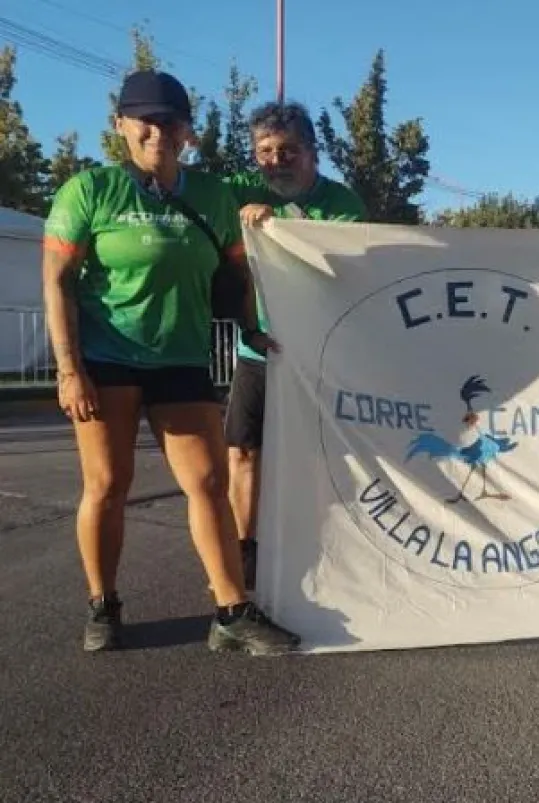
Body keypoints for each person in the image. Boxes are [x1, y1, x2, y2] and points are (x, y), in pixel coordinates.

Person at [42, 69, 300, 656]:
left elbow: (238, 274)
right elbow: (56, 282)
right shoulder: (90, 190)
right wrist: (68, 368)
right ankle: (102, 603)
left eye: (171, 121)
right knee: (108, 485)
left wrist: (253, 325)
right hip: (106, 360)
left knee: (208, 483)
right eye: (146, 119)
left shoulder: (211, 194)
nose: (158, 130)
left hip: (180, 360)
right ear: (121, 125)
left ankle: (231, 612)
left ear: (187, 130)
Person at [223, 101, 366, 588]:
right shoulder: (240, 192)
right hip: (256, 350)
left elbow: (340, 268)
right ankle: (244, 547)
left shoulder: (343, 203)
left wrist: (283, 226)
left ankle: (316, 545)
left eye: (288, 150)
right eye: (264, 151)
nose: (275, 160)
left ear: (311, 152)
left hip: (315, 352)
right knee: (242, 452)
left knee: (317, 455)